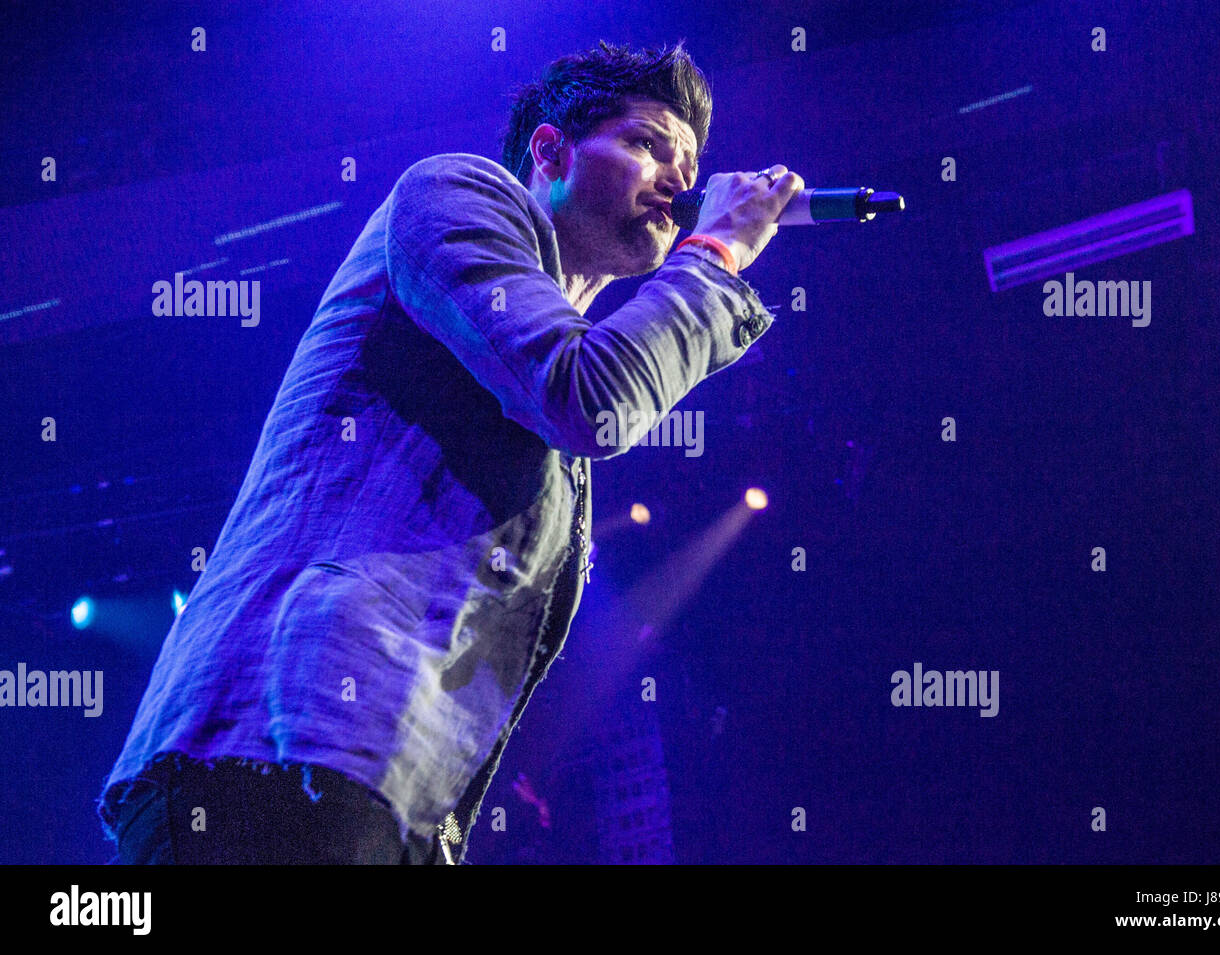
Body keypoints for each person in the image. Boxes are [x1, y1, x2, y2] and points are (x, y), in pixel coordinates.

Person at [97, 39, 802, 864]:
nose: (679, 183)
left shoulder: (539, 390)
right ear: (551, 148)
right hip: (280, 745)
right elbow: (591, 397)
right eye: (648, 144)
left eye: (688, 167)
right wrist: (714, 256)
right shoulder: (452, 192)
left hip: (381, 790)